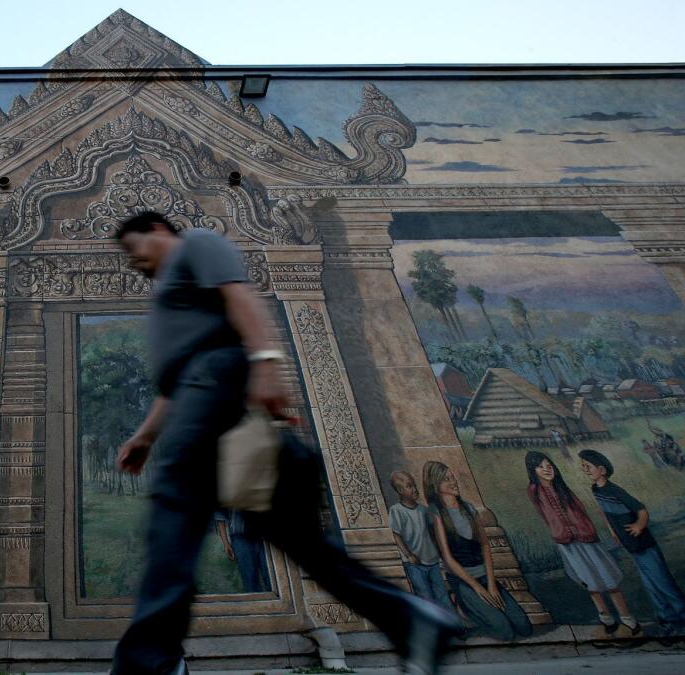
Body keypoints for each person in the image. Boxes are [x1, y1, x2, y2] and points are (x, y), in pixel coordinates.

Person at [111, 212, 458, 675]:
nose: (134, 261)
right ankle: (413, 621)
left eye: (134, 248)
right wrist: (144, 436)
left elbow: (241, 298)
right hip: (204, 397)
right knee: (303, 544)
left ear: (158, 230)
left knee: (172, 518)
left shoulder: (196, 243)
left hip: (216, 389)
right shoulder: (170, 292)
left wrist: (269, 364)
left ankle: (150, 663)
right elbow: (174, 385)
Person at [524, 451, 634, 633]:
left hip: (586, 537)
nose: (546, 470)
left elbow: (580, 511)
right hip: (567, 542)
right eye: (541, 467)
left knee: (608, 577)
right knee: (588, 581)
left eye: (549, 466)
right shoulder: (535, 491)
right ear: (533, 470)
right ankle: (606, 617)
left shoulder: (562, 488)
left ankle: (626, 617)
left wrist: (586, 530)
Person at [424, 461, 532, 642]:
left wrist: (490, 584)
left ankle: (480, 607)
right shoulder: (435, 512)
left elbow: (484, 546)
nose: (453, 482)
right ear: (436, 486)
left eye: (452, 477)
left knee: (524, 627)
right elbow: (448, 559)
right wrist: (477, 588)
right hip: (464, 581)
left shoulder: (468, 508)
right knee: (505, 632)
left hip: (484, 576)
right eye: (446, 480)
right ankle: (463, 609)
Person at [580, 449, 685, 633]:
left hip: (644, 544)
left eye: (588, 467)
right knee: (651, 586)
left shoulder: (615, 490)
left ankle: (682, 619)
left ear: (602, 470)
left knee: (663, 583)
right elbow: (604, 511)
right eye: (583, 467)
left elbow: (641, 510)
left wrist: (638, 525)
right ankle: (667, 620)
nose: (585, 470)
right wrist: (613, 530)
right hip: (632, 547)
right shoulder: (596, 489)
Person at [388, 471, 458, 619]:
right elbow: (397, 535)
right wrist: (408, 554)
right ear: (400, 491)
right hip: (414, 564)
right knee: (425, 597)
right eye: (409, 486)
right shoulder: (397, 511)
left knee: (442, 596)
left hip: (432, 560)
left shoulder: (423, 510)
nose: (414, 489)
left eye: (414, 485)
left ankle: (455, 626)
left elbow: (434, 533)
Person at [214, 508, 271, 593]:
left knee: (273, 578)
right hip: (240, 535)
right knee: (250, 581)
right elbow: (220, 516)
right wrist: (226, 543)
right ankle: (258, 605)